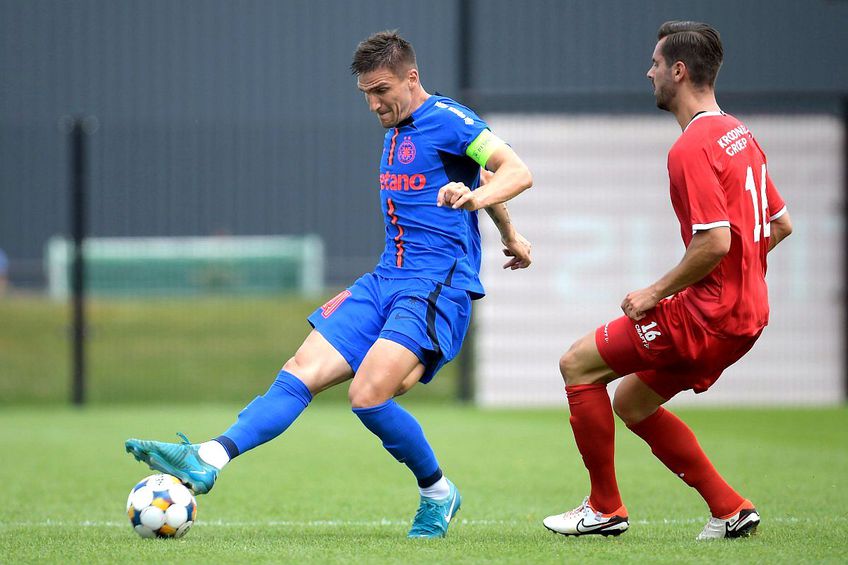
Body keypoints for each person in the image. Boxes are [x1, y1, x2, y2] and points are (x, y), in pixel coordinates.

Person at [125, 30, 533, 539]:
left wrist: (473, 202)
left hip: (435, 286)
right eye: (365, 92)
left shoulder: (448, 119)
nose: (372, 103)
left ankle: (438, 493)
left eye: (381, 90)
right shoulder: (398, 126)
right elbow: (476, 175)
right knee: (300, 370)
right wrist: (510, 233)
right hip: (386, 279)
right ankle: (208, 457)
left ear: (412, 78)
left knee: (369, 396)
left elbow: (513, 170)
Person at [542, 21, 792, 540]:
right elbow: (781, 224)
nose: (648, 72)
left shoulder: (692, 146)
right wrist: (738, 277)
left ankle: (604, 508)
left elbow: (715, 242)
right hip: (749, 316)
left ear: (678, 71)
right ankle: (729, 508)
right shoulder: (740, 134)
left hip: (706, 316)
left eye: (655, 63)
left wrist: (653, 293)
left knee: (577, 365)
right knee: (632, 402)